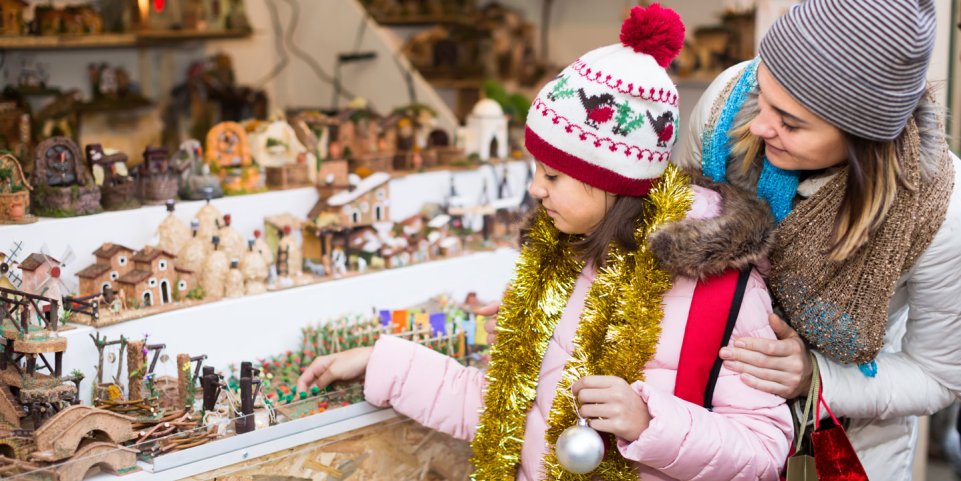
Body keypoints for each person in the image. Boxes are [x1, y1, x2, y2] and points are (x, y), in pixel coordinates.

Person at [298, 5, 792, 480]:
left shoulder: (724, 288)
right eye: (536, 169)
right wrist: (384, 361)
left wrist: (649, 423)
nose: (536, 188)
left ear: (614, 182)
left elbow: (764, 452)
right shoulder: (561, 266)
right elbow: (507, 413)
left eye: (553, 175)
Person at [673, 0, 961, 479]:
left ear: (863, 137)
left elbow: (937, 375)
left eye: (791, 123)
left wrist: (817, 376)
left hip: (846, 449)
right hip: (705, 428)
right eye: (763, 93)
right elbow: (680, 226)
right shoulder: (730, 101)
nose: (761, 124)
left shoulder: (939, 210)